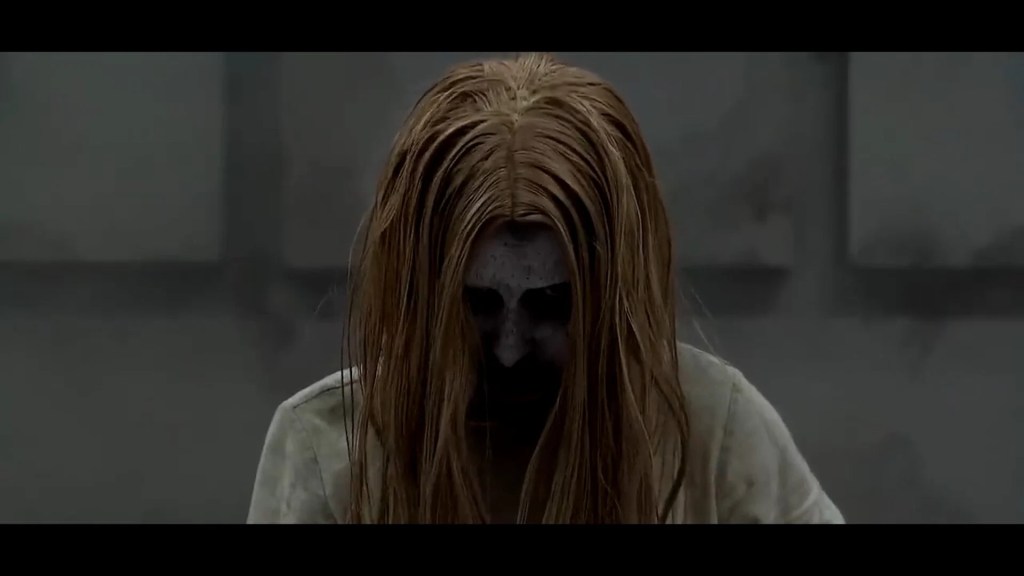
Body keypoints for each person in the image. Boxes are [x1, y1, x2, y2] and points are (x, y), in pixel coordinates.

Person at [246, 52, 844, 524]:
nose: (509, 348)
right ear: (427, 291)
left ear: (609, 290)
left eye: (551, 304)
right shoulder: (327, 449)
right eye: (479, 303)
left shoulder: (715, 435)